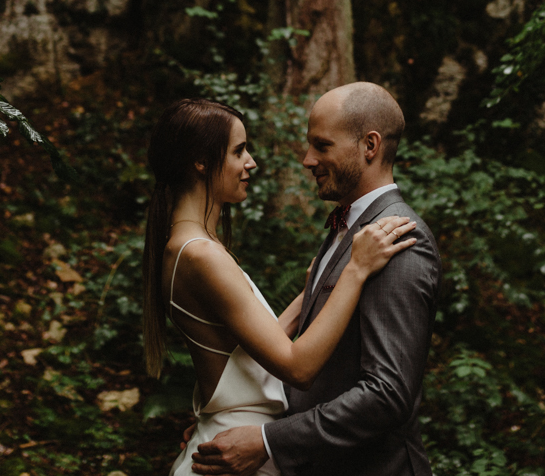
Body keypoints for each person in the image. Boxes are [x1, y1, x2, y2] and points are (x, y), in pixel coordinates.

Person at [143, 97, 420, 476]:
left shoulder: (187, 245)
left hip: (235, 440)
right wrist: (355, 270)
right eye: (239, 151)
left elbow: (256, 345)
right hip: (237, 453)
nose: (251, 162)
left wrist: (315, 286)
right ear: (201, 161)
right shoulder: (200, 255)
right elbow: (297, 366)